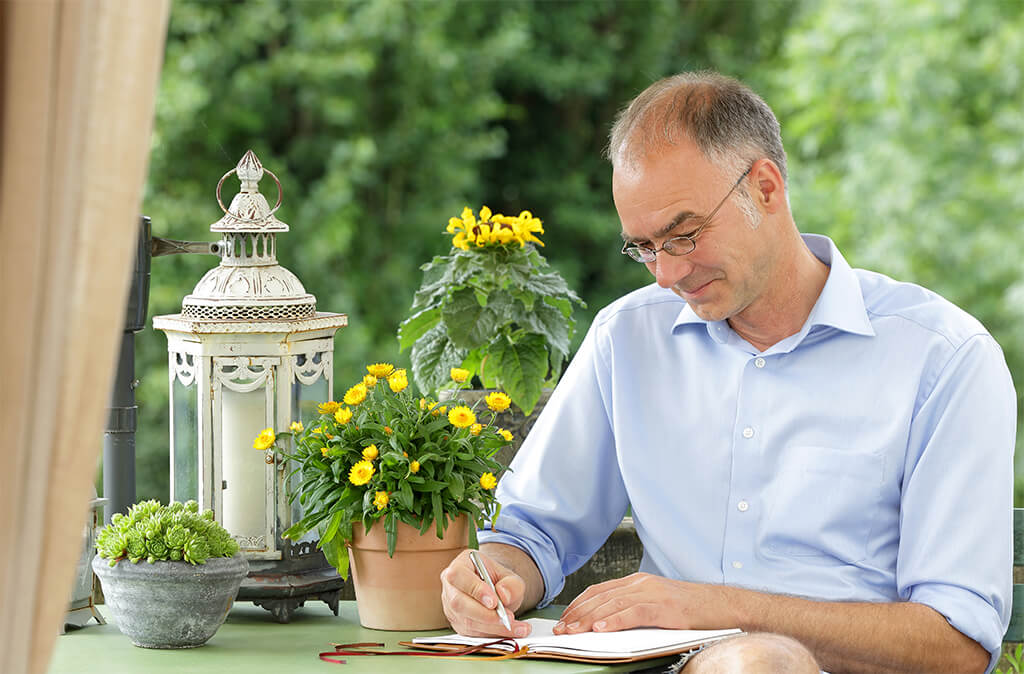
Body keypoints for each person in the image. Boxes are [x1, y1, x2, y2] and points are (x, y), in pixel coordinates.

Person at [439, 71, 1016, 673]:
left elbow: (956, 645)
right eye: (643, 247)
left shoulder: (944, 359)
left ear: (765, 188)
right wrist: (495, 578)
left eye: (683, 234)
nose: (665, 273)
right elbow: (532, 531)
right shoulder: (628, 337)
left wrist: (713, 610)